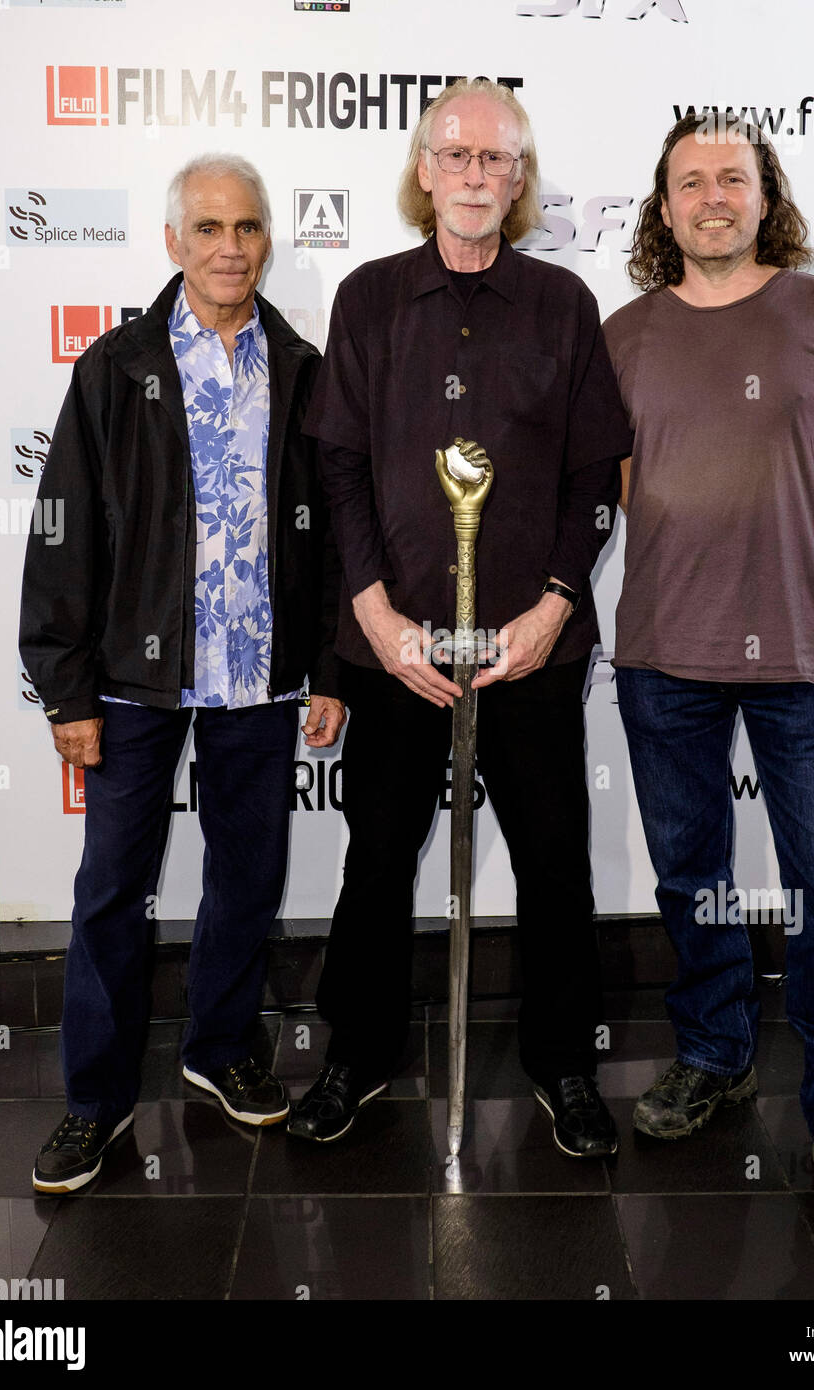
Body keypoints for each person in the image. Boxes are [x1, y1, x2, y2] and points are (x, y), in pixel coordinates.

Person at [290, 77, 632, 1156]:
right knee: (378, 855)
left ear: (518, 178)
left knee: (554, 857)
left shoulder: (563, 308)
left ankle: (565, 1065)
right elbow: (336, 467)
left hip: (527, 648)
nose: (474, 175)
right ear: (423, 170)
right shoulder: (367, 299)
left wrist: (554, 608)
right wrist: (373, 618)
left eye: (495, 159)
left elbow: (592, 477)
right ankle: (355, 1054)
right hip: (396, 649)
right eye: (455, 155)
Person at [19, 153, 344, 1193]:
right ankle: (93, 1102)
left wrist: (331, 663)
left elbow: (335, 533)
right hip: (130, 676)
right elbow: (62, 527)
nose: (229, 248)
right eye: (207, 229)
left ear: (265, 243)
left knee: (244, 876)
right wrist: (65, 688)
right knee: (113, 888)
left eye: (246, 228)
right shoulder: (115, 366)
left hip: (258, 673)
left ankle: (219, 1046)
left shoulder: (302, 366)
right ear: (172, 243)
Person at [603, 114, 814, 1245]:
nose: (711, 196)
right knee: (692, 874)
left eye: (732, 177)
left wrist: (787, 550)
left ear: (761, 193)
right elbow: (629, 484)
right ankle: (714, 1055)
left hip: (801, 655)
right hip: (660, 653)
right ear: (663, 206)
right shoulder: (623, 332)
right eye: (690, 181)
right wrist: (706, 543)